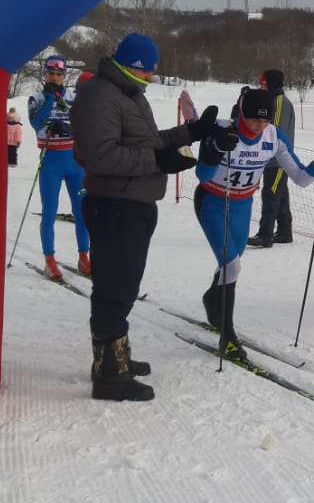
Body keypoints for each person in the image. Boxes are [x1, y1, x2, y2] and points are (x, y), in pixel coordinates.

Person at [69, 32, 221, 402]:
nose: (153, 77)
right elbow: (103, 156)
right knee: (114, 289)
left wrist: (192, 132)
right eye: (149, 71)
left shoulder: (128, 95)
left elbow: (146, 141)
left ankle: (115, 358)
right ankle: (109, 375)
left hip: (133, 204)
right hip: (115, 205)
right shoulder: (100, 96)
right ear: (132, 66)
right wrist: (159, 162)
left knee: (122, 286)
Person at [195, 87, 314, 361]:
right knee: (231, 265)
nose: (258, 127)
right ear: (240, 115)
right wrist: (215, 150)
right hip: (213, 202)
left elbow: (301, 177)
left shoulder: (274, 137)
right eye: (252, 121)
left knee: (232, 266)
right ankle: (228, 336)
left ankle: (212, 299)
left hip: (242, 205)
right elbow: (202, 174)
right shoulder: (222, 129)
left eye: (264, 121)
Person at [28, 55, 91, 279]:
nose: (54, 77)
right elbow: (36, 124)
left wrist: (67, 127)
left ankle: (84, 258)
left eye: (59, 74)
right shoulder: (35, 98)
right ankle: (50, 260)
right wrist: (48, 100)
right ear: (45, 74)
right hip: (51, 161)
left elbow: (86, 123)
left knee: (83, 212)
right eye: (51, 73)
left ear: (64, 77)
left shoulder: (73, 97)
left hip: (74, 162)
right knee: (49, 214)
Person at [248, 69, 297, 248]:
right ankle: (284, 232)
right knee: (280, 194)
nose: (261, 87)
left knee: (271, 194)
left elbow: (274, 131)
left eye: (263, 84)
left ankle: (265, 234)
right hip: (273, 160)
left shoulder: (280, 102)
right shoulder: (272, 100)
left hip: (278, 160)